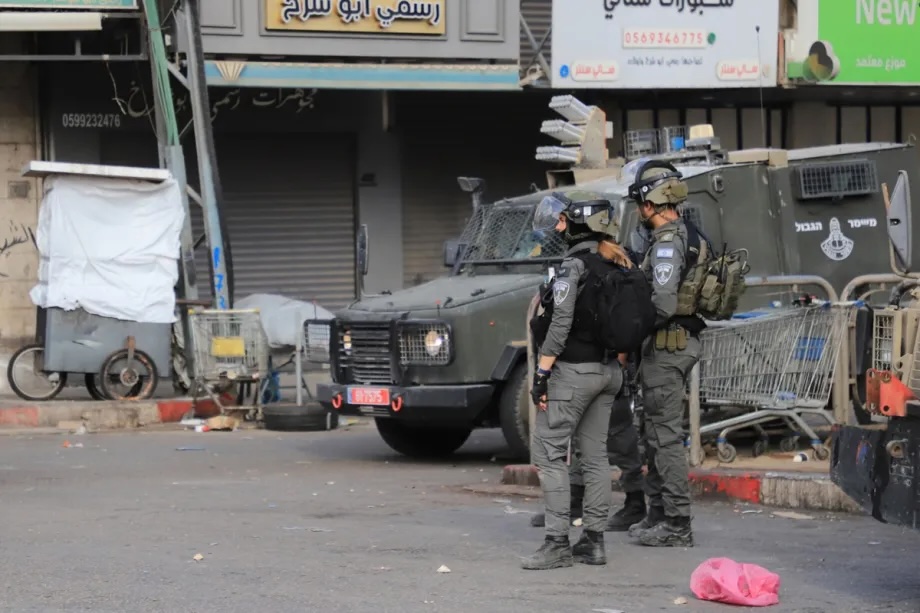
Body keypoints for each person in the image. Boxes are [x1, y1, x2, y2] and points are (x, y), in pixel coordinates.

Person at [520, 190, 625, 571]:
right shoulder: (619, 261)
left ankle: (557, 543)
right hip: (609, 372)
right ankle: (593, 543)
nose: (559, 227)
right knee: (596, 457)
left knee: (548, 455)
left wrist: (542, 373)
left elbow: (560, 323)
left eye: (565, 221)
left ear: (578, 224)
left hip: (573, 373)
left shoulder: (573, 267)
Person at [626, 161, 705, 548]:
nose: (639, 210)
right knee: (652, 432)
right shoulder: (686, 234)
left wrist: (626, 331)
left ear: (650, 202)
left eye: (640, 201)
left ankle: (677, 525)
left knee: (665, 437)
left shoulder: (669, 242)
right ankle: (658, 514)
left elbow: (662, 303)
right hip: (667, 345)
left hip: (666, 345)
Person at [527, 352, 647, 533]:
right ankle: (575, 501)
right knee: (582, 437)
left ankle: (635, 501)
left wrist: (620, 364)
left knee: (619, 436)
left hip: (606, 365)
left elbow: (620, 334)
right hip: (585, 367)